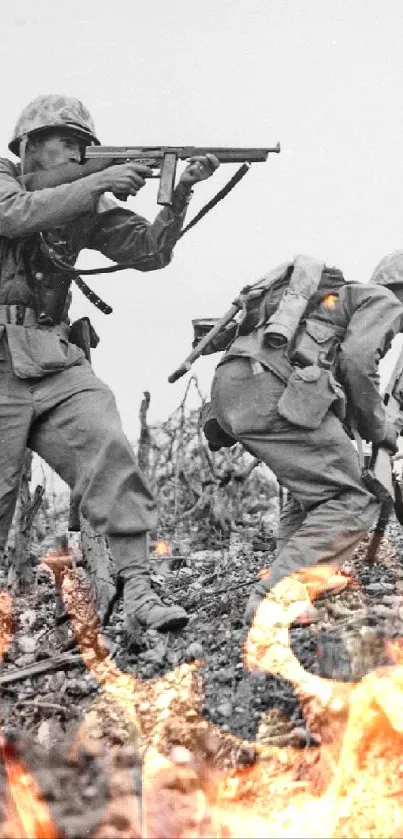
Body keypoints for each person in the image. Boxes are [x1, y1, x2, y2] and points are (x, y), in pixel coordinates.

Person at [0, 94, 219, 637]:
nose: (78, 155)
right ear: (28, 146)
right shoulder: (7, 181)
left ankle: (139, 587)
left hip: (52, 356)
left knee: (107, 445)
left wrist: (180, 191)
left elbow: (148, 251)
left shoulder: (82, 200)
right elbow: (16, 214)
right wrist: (101, 181)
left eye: (85, 147)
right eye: (66, 143)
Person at [206, 254, 403, 623]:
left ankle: (304, 578)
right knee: (352, 499)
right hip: (270, 388)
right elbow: (359, 363)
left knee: (312, 489)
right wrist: (381, 429)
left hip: (234, 386)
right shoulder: (384, 301)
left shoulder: (333, 305)